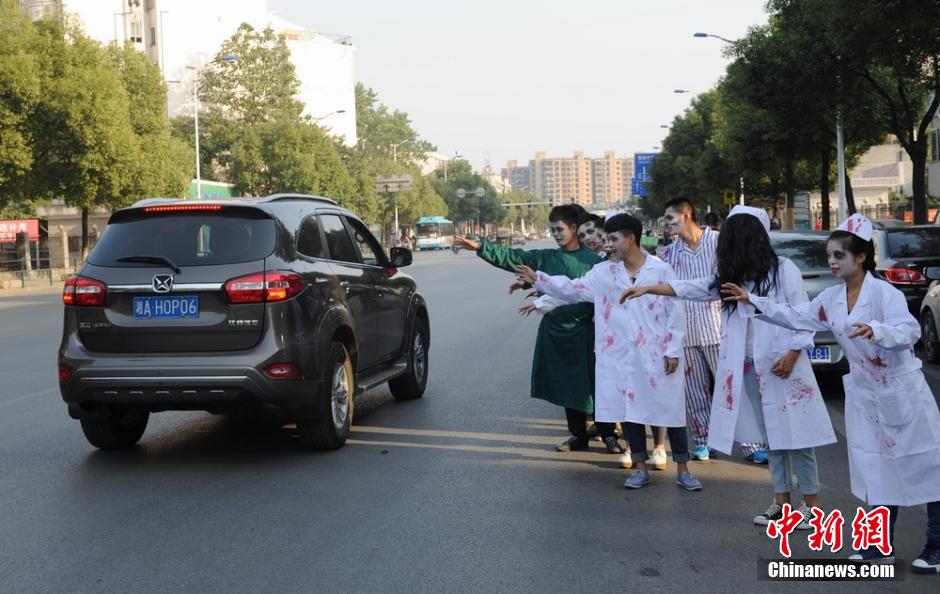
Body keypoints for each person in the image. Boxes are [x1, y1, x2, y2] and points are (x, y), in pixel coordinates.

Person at [721, 213, 940, 574]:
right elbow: (795, 315)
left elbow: (909, 331)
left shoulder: (884, 293)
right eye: (829, 256)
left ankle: (935, 545)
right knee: (877, 469)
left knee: (925, 467)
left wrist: (877, 330)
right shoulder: (831, 298)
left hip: (902, 394)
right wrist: (754, 300)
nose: (832, 263)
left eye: (839, 255)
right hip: (866, 397)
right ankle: (878, 546)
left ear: (861, 257)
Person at [622, 205, 836, 527]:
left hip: (784, 365)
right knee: (772, 439)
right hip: (752, 367)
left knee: (798, 438)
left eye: (730, 238)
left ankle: (812, 507)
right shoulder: (733, 277)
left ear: (749, 238)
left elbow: (802, 316)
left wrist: (793, 354)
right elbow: (693, 288)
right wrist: (650, 288)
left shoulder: (784, 269)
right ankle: (781, 502)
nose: (724, 246)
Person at [515, 213, 702, 491]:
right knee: (629, 410)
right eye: (607, 239)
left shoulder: (661, 270)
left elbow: (675, 311)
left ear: (631, 239)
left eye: (613, 239)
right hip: (620, 355)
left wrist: (673, 350)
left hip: (656, 354)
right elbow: (573, 289)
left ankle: (683, 469)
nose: (608, 245)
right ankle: (639, 468)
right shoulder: (604, 273)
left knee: (669, 410)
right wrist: (539, 279)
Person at [454, 205, 604, 452]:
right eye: (553, 230)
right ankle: (578, 434)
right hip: (555, 332)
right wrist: (480, 247)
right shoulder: (546, 257)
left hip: (586, 333)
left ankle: (608, 432)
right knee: (566, 386)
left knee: (595, 384)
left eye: (560, 229)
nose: (556, 234)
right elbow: (513, 257)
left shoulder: (595, 262)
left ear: (573, 228)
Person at [658, 198, 767, 464]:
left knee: (732, 387)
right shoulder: (668, 253)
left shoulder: (720, 242)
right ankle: (703, 440)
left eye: (670, 218)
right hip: (686, 331)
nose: (667, 224)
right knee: (695, 391)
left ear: (686, 214)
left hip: (720, 328)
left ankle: (751, 443)